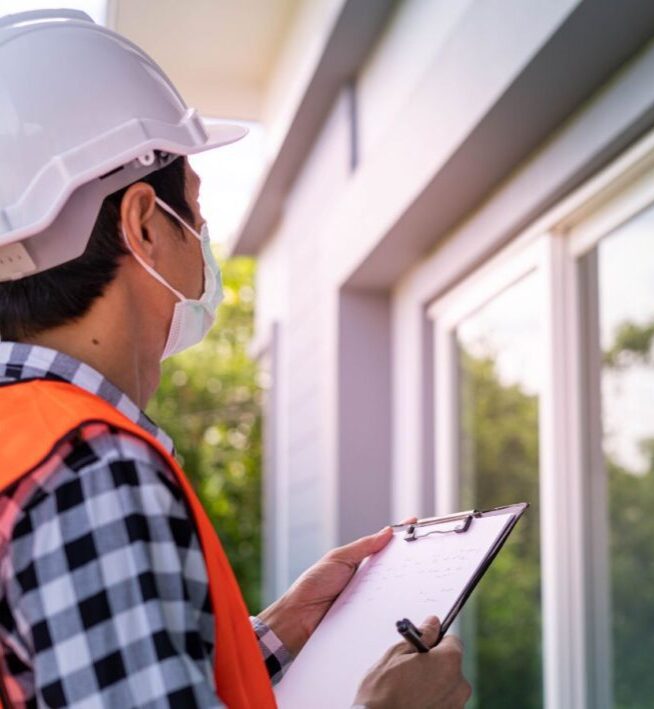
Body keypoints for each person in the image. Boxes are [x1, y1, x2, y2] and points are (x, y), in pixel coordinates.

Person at [0, 9, 470, 708]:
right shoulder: (90, 469)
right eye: (193, 210)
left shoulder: (24, 445)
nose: (203, 240)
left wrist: (273, 635)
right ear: (144, 224)